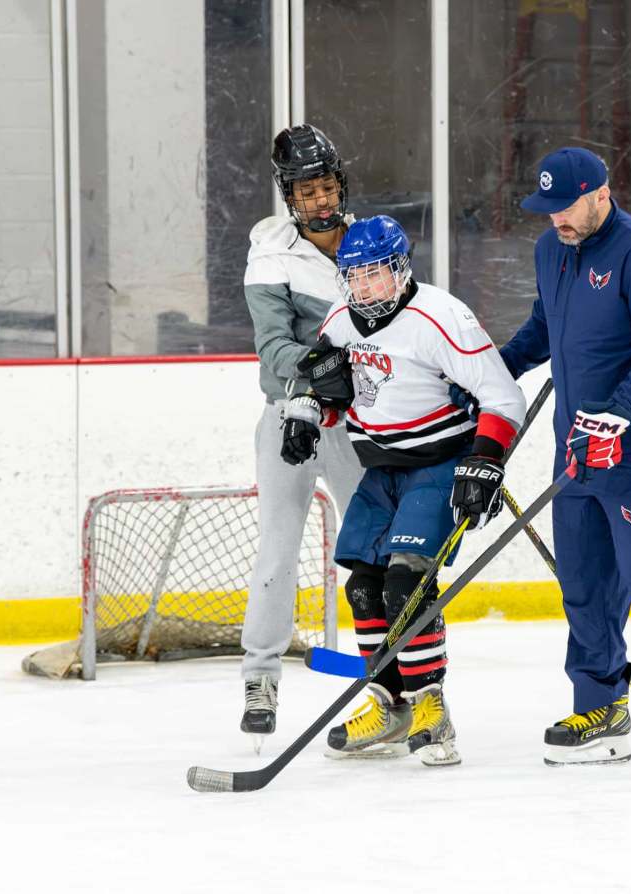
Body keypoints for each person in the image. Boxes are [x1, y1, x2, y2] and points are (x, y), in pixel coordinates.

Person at [498, 147, 631, 778]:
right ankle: (600, 710)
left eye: (566, 207)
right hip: (576, 455)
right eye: (546, 211)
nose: (556, 221)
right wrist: (489, 373)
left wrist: (618, 412)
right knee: (584, 584)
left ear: (601, 193)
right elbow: (544, 329)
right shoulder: (552, 251)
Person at [285, 215, 526, 767]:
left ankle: (431, 712)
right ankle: (389, 706)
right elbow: (328, 385)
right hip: (382, 469)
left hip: (441, 465)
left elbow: (503, 397)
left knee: (406, 582)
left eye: (376, 274)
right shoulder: (341, 320)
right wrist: (307, 411)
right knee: (364, 588)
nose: (365, 286)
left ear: (400, 269)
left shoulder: (441, 317)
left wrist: (485, 461)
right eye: (355, 275)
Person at [238, 124, 364, 744]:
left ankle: (400, 680)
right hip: (291, 416)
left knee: (380, 550)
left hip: (362, 421)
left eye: (327, 185)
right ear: (289, 195)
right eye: (306, 189)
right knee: (278, 551)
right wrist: (326, 367)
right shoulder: (271, 252)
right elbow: (272, 353)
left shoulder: (373, 242)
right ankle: (260, 677)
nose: (319, 199)